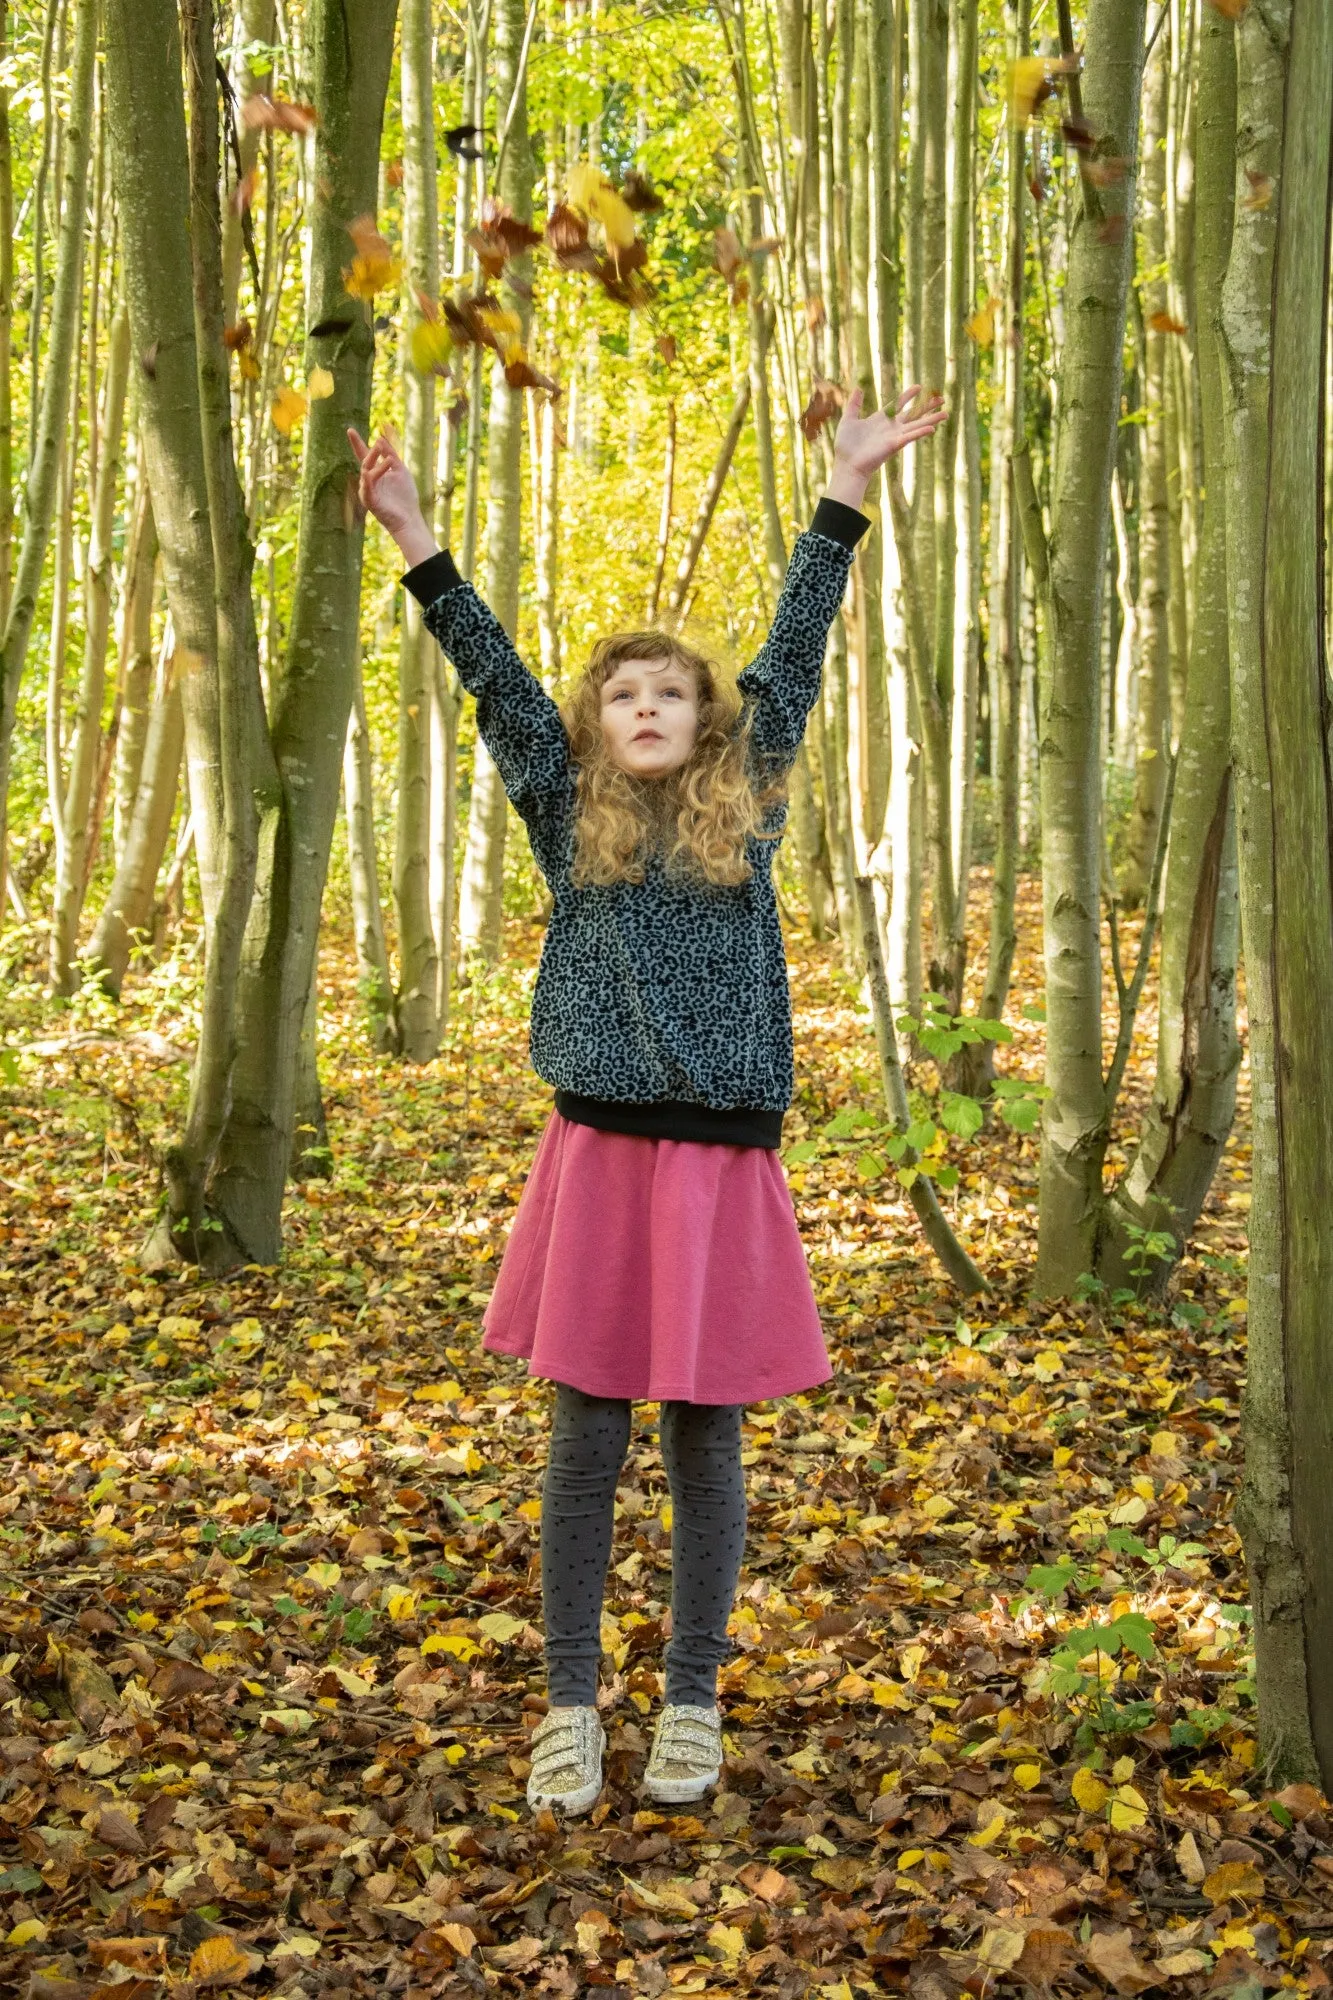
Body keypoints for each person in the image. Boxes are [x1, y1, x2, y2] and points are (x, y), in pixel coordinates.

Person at [350, 381, 946, 1818]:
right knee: (586, 1437)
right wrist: (418, 539)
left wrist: (846, 491)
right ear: (598, 727)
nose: (645, 707)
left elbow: (796, 650)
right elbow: (493, 677)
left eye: (669, 690)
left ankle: (691, 1696)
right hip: (603, 1160)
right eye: (621, 693)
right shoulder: (568, 819)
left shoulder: (749, 801)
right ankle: (567, 1703)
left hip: (723, 1163)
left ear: (707, 719)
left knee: (706, 1435)